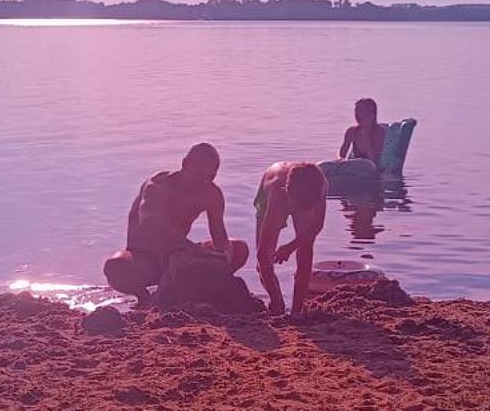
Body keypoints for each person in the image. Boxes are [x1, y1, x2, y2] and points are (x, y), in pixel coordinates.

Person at [104, 143, 249, 304]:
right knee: (115, 266)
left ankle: (193, 289)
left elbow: (219, 236)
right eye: (197, 173)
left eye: (209, 176)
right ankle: (144, 297)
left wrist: (223, 256)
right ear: (185, 164)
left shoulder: (211, 193)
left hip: (179, 255)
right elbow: (150, 226)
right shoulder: (157, 186)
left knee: (240, 249)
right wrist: (192, 249)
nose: (202, 181)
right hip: (144, 258)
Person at [254, 161, 328, 319]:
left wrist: (292, 246)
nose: (302, 211)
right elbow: (262, 255)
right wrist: (277, 302)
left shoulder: (319, 187)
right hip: (268, 196)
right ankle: (277, 303)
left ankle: (296, 311)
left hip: (302, 194)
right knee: (263, 260)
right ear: (288, 193)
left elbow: (316, 227)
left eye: (307, 208)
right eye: (300, 207)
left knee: (306, 248)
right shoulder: (277, 196)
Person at [338, 97, 386, 167]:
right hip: (354, 168)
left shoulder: (380, 132)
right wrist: (340, 162)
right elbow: (342, 155)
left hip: (371, 169)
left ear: (372, 114)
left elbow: (373, 159)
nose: (358, 115)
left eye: (363, 112)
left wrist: (366, 134)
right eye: (357, 111)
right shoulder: (351, 131)